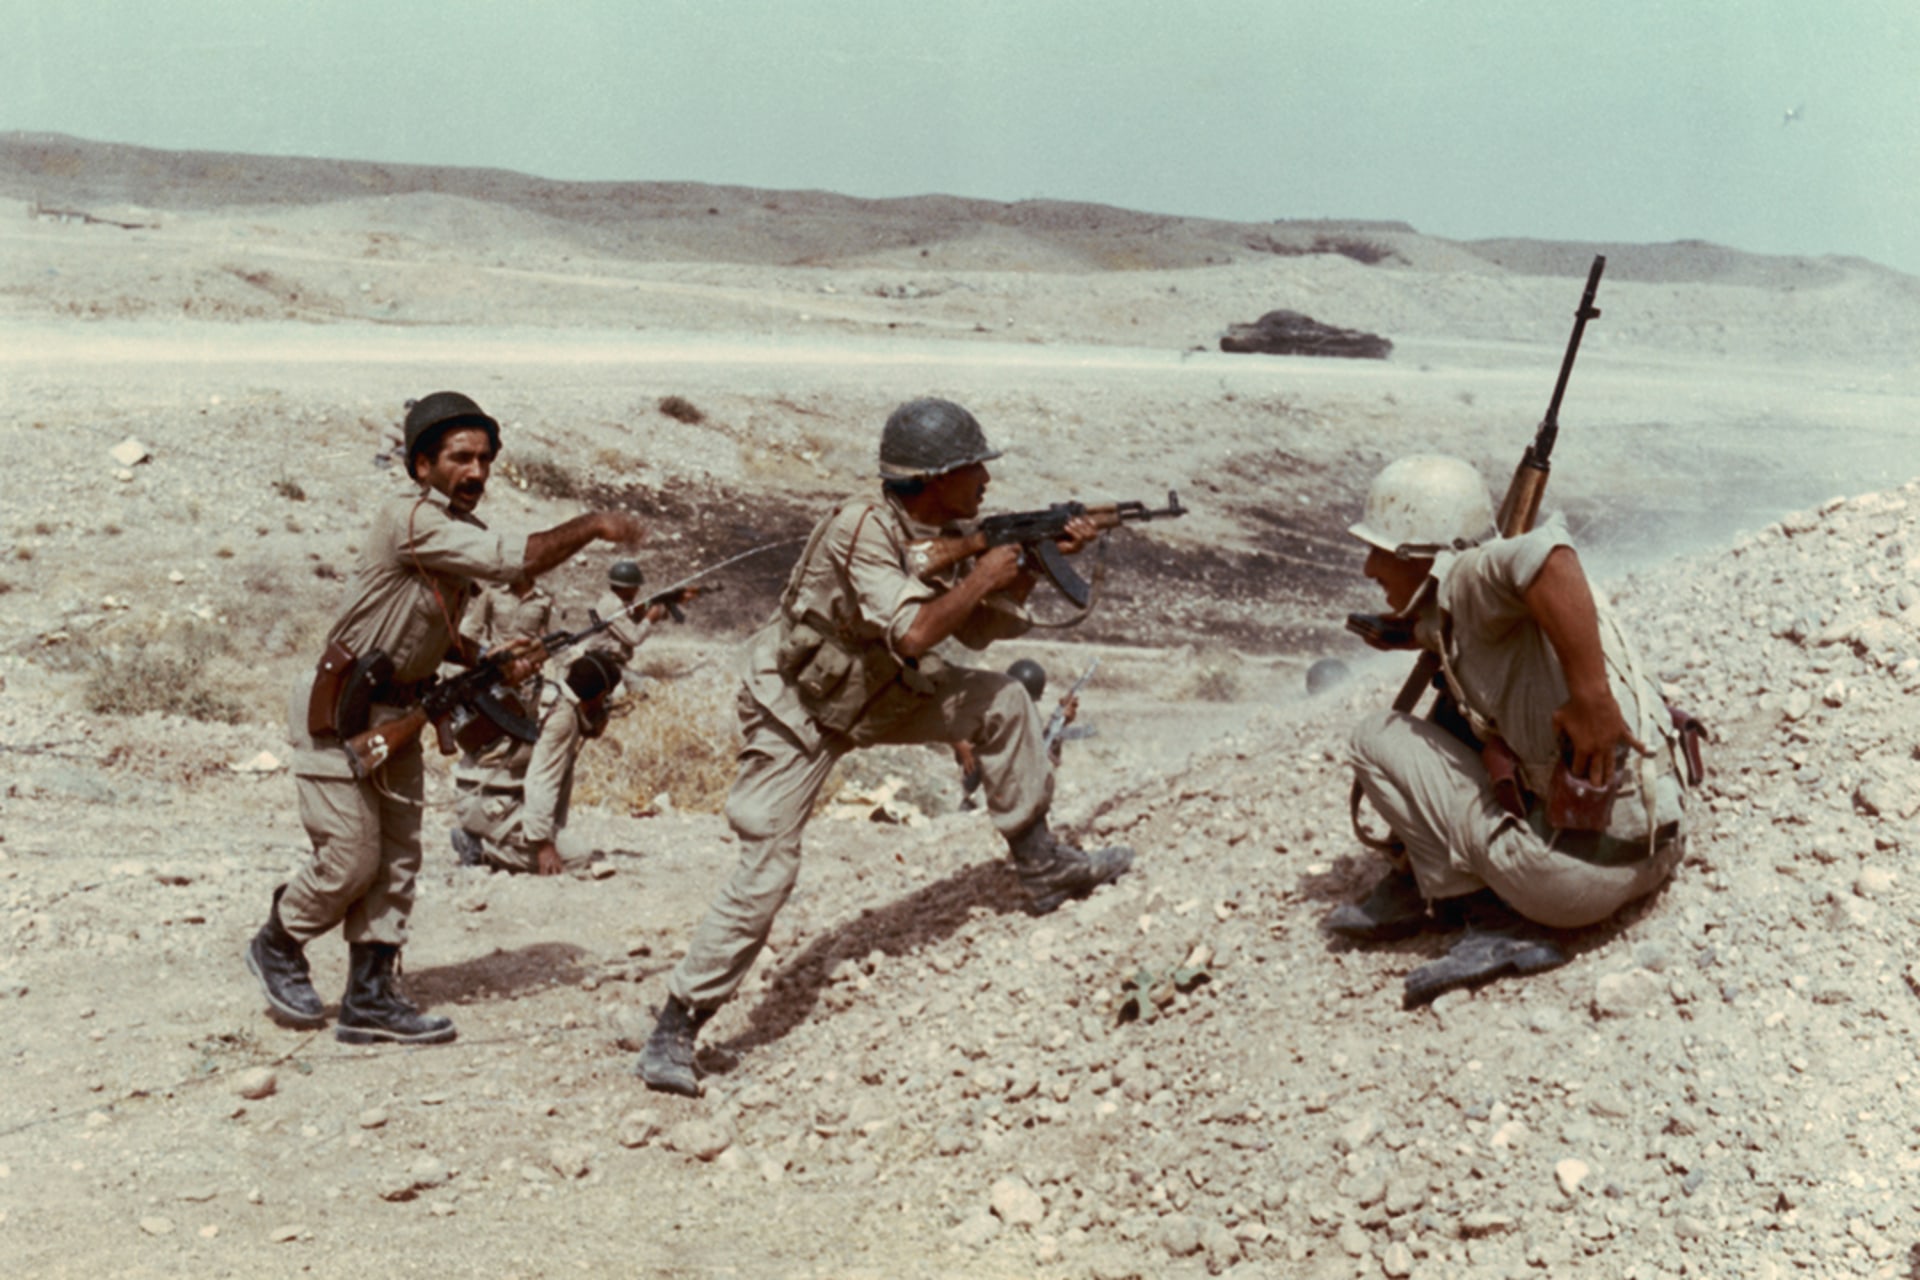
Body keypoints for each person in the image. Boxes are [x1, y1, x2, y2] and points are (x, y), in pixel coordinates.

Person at [634, 397, 1136, 1095]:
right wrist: (986, 571)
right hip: (799, 709)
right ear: (936, 476)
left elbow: (975, 630)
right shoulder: (861, 528)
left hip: (882, 691)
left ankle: (1041, 862)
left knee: (1005, 702)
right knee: (768, 863)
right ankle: (676, 1028)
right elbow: (915, 632)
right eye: (975, 468)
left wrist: (1030, 567)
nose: (987, 481)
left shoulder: (951, 531)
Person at [244, 391, 646, 1045]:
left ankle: (370, 997)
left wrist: (488, 659)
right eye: (460, 457)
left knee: (398, 860)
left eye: (485, 459)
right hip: (343, 710)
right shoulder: (409, 518)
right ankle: (278, 942)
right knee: (350, 860)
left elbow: (430, 631)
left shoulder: (456, 535)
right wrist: (595, 524)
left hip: (402, 709)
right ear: (421, 465)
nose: (476, 472)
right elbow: (517, 558)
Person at [1326, 455, 1692, 1006]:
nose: (1368, 569)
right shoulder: (1538, 605)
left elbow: (1549, 555)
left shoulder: (1476, 576)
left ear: (1421, 555)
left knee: (1375, 737)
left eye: (1380, 550)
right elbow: (1480, 620)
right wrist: (1414, 633)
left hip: (1573, 886)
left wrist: (1591, 699)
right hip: (1654, 850)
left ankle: (1491, 916)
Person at [450, 652, 622, 875]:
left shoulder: (551, 695)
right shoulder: (563, 717)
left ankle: (497, 838)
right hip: (489, 805)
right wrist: (543, 843)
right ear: (600, 695)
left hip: (479, 797)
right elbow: (542, 780)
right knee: (578, 856)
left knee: (566, 843)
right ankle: (481, 848)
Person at [954, 658, 1076, 806]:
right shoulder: (993, 716)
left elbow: (1041, 753)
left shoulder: (1028, 717)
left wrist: (1058, 725)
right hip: (986, 793)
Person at [589, 559, 669, 678]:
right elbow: (634, 638)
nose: (638, 590)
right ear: (627, 587)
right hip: (604, 664)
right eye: (636, 586)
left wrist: (653, 606)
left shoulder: (616, 601)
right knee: (648, 684)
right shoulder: (613, 605)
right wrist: (649, 618)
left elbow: (636, 610)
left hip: (611, 663)